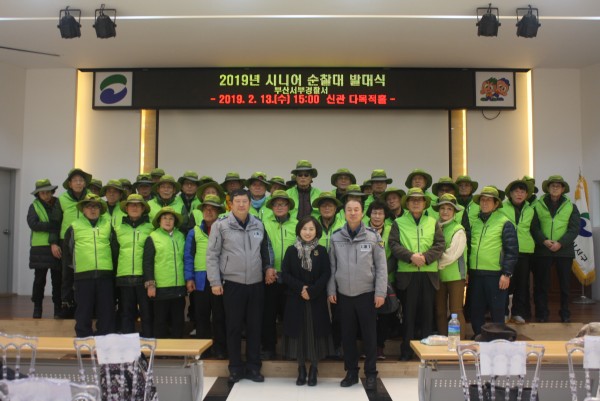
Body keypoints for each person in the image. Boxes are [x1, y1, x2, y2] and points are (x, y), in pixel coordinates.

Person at [206, 189, 271, 384]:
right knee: (233, 327)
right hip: (232, 284)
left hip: (255, 284)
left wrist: (268, 268)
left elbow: (265, 251)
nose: (241, 205)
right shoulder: (221, 225)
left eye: (245, 201)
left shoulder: (258, 224)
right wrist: (215, 282)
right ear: (231, 204)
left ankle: (253, 367)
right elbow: (212, 255)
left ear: (250, 204)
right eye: (238, 201)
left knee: (254, 327)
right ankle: (235, 368)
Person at [327, 199, 387, 390]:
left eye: (356, 210)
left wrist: (380, 292)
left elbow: (381, 267)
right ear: (344, 213)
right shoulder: (336, 237)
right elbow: (332, 267)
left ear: (362, 213)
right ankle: (351, 372)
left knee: (369, 336)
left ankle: (371, 373)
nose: (352, 213)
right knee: (347, 336)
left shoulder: (373, 236)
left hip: (366, 294)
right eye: (349, 210)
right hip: (344, 295)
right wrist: (331, 290)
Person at [389, 188, 445, 361]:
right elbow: (393, 244)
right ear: (407, 203)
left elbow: (440, 244)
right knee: (408, 315)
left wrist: (425, 258)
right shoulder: (398, 222)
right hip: (407, 275)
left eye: (419, 200)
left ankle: (425, 353)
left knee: (427, 316)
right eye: (412, 200)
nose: (415, 203)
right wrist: (411, 256)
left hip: (428, 274)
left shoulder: (433, 222)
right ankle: (406, 351)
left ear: (424, 203)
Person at [281, 216, 333, 387]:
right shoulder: (291, 250)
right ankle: (301, 368)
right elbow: (285, 273)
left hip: (315, 299)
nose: (308, 232)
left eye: (311, 229)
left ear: (316, 231)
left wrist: (311, 291)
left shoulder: (321, 250)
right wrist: (301, 288)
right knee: (299, 335)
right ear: (299, 231)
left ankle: (314, 369)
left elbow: (326, 273)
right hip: (295, 299)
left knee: (314, 335)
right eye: (304, 229)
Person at [62, 194, 115, 337]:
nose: (92, 209)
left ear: (100, 209)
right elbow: (68, 252)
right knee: (83, 309)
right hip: (83, 275)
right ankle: (83, 338)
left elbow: (114, 249)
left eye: (96, 207)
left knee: (106, 309)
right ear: (83, 209)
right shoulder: (74, 227)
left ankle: (105, 336)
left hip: (105, 274)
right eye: (89, 206)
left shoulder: (108, 225)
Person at [468, 186, 518, 336]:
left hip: (496, 275)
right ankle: (479, 336)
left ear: (496, 204)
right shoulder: (475, 222)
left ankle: (497, 339)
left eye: (488, 200)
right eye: (482, 200)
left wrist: (506, 274)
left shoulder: (505, 223)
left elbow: (511, 250)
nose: (484, 203)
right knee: (476, 309)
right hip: (476, 274)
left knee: (497, 310)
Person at [531, 175, 580, 323]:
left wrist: (560, 243)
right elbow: (534, 227)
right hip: (543, 250)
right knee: (541, 285)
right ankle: (542, 314)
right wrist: (544, 241)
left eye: (558, 186)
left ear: (563, 189)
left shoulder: (571, 206)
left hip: (564, 251)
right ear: (548, 188)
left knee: (565, 286)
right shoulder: (537, 205)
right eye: (552, 185)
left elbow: (574, 229)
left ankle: (565, 314)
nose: (555, 188)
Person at [184, 194, 227, 358]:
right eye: (206, 208)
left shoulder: (224, 230)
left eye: (212, 209)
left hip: (220, 279)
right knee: (201, 317)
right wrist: (189, 278)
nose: (209, 211)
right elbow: (188, 256)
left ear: (218, 211)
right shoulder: (193, 232)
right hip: (200, 280)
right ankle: (203, 350)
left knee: (220, 316)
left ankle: (221, 349)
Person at [261, 190, 298, 359]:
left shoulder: (297, 224)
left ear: (288, 206)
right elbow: (261, 248)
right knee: (268, 314)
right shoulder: (263, 224)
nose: (279, 207)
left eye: (283, 204)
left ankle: (290, 350)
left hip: (290, 277)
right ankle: (269, 348)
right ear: (272, 207)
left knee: (290, 316)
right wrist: (267, 268)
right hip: (270, 276)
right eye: (276, 204)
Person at [113, 194, 154, 337]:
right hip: (124, 276)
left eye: (138, 205)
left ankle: (149, 343)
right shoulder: (118, 228)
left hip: (144, 277)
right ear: (126, 208)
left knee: (147, 313)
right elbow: (114, 253)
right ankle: (127, 346)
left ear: (143, 208)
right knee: (126, 313)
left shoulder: (151, 228)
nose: (134, 207)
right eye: (131, 205)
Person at [143, 206, 187, 338]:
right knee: (160, 321)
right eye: (164, 218)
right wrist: (150, 284)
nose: (168, 221)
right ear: (159, 221)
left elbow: (185, 259)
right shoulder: (153, 237)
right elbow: (147, 262)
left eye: (171, 218)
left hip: (179, 286)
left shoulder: (180, 236)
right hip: (161, 288)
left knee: (178, 321)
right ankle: (161, 349)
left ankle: (177, 348)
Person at [500, 178, 537, 324]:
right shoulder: (501, 208)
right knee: (504, 283)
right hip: (506, 251)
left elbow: (534, 230)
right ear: (510, 194)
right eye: (516, 191)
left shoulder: (531, 210)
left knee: (522, 284)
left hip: (524, 250)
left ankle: (518, 312)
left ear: (527, 194)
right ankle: (503, 312)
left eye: (522, 191)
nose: (519, 194)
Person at [433, 194, 467, 339]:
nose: (445, 211)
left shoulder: (458, 230)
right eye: (442, 208)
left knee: (456, 311)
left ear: (454, 212)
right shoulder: (434, 227)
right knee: (440, 311)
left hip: (455, 276)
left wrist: (432, 264)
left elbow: (452, 255)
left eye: (449, 209)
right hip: (438, 277)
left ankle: (459, 343)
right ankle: (443, 342)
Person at [27, 179, 62, 319]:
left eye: (48, 192)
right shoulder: (34, 206)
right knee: (39, 280)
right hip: (40, 249)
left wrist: (47, 225)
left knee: (57, 280)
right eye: (43, 193)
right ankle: (37, 307)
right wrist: (52, 225)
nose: (46, 195)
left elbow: (61, 222)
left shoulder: (58, 203)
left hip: (57, 246)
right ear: (38, 194)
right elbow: (33, 224)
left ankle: (58, 309)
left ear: (52, 192)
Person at [365, 200, 395, 360]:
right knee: (367, 314)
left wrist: (383, 272)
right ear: (369, 214)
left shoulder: (392, 229)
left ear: (385, 215)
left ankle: (380, 347)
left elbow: (395, 252)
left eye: (380, 213)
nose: (377, 216)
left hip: (387, 278)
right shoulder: (363, 229)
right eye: (374, 213)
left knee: (384, 314)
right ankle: (367, 347)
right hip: (366, 278)